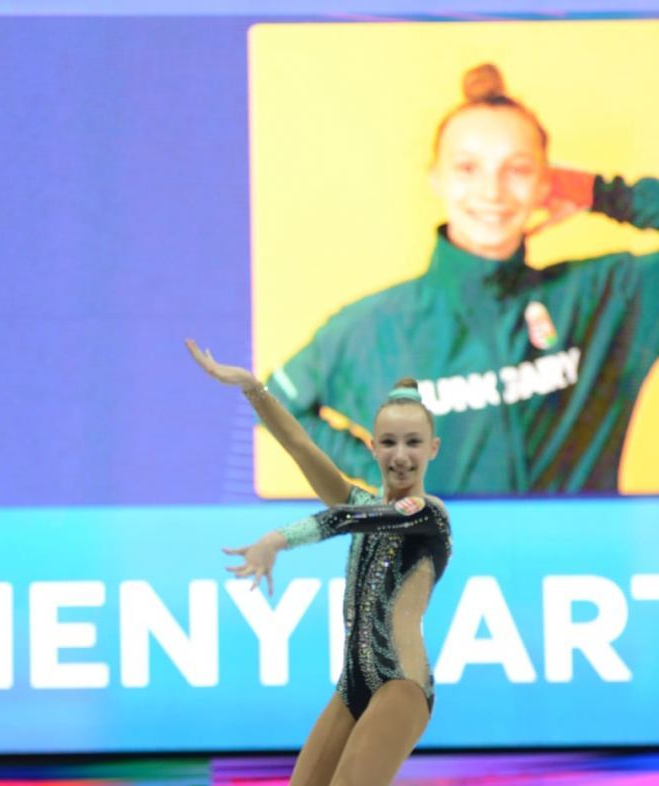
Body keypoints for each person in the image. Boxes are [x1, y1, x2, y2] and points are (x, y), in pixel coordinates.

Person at [185, 338, 452, 786]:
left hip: (400, 685)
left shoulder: (426, 515)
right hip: (351, 688)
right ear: (373, 444)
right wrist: (252, 390)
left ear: (432, 447)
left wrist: (276, 536)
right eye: (387, 442)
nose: (399, 454)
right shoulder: (366, 501)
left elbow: (339, 520)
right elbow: (304, 448)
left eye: (412, 444)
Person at [265, 63, 659, 495]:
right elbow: (274, 406)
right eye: (468, 168)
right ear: (436, 177)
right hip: (451, 561)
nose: (492, 192)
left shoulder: (606, 297)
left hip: (582, 561)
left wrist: (601, 193)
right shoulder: (376, 326)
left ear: (547, 182)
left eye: (518, 170)